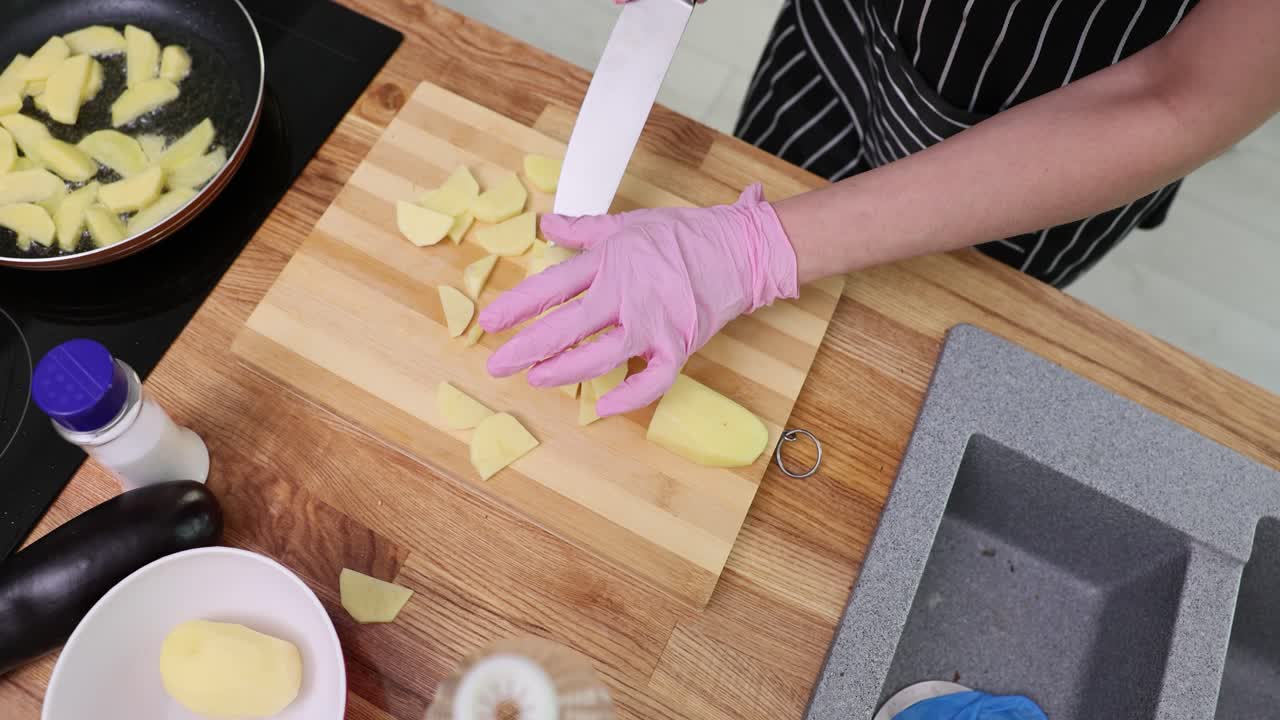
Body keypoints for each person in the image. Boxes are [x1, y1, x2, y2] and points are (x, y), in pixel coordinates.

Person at [480, 0, 1280, 417]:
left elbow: (1183, 97)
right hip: (843, 27)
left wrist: (755, 249)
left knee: (883, 360)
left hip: (1062, 124)